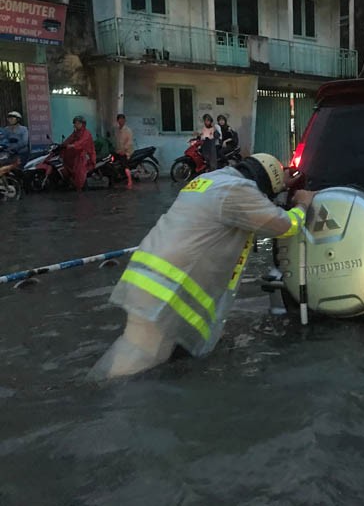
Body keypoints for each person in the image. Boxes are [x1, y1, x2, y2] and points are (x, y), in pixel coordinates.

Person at [88, 154, 314, 380]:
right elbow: (285, 225)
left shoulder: (212, 180)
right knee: (135, 363)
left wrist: (280, 181)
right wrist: (303, 202)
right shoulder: (239, 192)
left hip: (147, 279)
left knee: (144, 352)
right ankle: (100, 396)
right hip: (166, 292)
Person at [61, 115, 96, 192]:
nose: (75, 125)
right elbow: (69, 139)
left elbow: (82, 142)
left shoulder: (86, 133)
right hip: (77, 154)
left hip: (86, 155)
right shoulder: (76, 133)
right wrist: (63, 145)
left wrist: (72, 145)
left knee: (80, 171)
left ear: (82, 124)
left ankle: (80, 188)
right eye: (75, 123)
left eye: (77, 123)